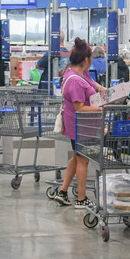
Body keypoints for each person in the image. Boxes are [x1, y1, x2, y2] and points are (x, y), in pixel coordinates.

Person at [53, 38, 104, 209]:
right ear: (86, 59)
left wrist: (107, 91)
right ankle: (81, 199)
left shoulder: (80, 72)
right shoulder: (74, 80)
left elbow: (92, 84)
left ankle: (63, 191)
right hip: (80, 126)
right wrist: (101, 108)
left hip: (82, 126)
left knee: (76, 158)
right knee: (83, 160)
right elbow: (80, 108)